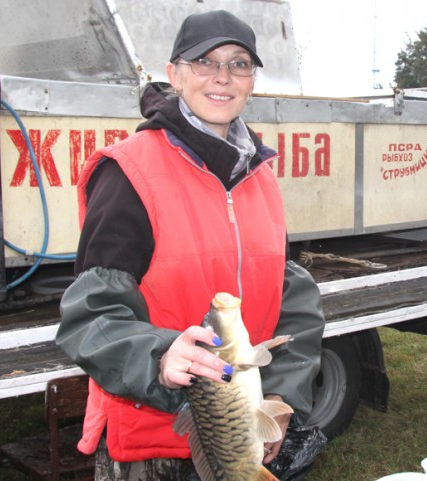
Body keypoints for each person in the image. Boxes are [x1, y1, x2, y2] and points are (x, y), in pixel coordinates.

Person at [56, 9, 326, 481]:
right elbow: (91, 318)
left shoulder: (260, 178)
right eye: (204, 61)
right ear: (174, 75)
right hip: (151, 448)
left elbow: (292, 306)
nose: (222, 77)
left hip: (240, 439)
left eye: (239, 63)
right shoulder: (129, 174)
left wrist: (280, 399)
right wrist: (160, 358)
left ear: (252, 80)